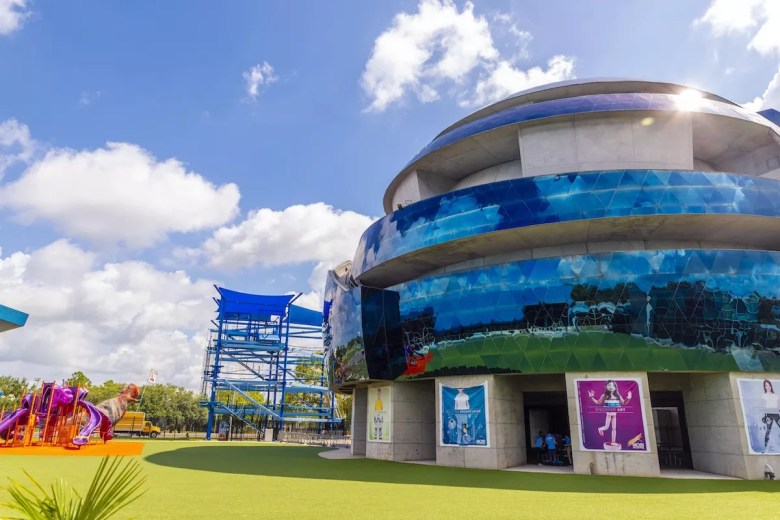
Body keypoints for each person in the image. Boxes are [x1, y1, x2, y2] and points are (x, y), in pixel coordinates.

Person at [588, 380, 632, 448]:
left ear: (615, 387)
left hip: (614, 414)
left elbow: (623, 403)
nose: (611, 387)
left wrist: (628, 398)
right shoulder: (604, 395)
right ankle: (600, 429)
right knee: (606, 427)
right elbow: (598, 402)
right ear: (606, 387)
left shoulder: (618, 395)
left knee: (614, 428)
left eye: (612, 385)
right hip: (608, 414)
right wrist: (591, 398)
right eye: (609, 385)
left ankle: (613, 442)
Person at [762, 379, 780, 453]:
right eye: (766, 385)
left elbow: (778, 406)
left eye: (769, 385)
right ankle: (765, 448)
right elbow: (764, 406)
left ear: (771, 386)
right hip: (768, 414)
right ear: (765, 387)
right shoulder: (764, 395)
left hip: (776, 414)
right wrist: (764, 417)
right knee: (768, 431)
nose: (768, 387)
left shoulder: (775, 395)